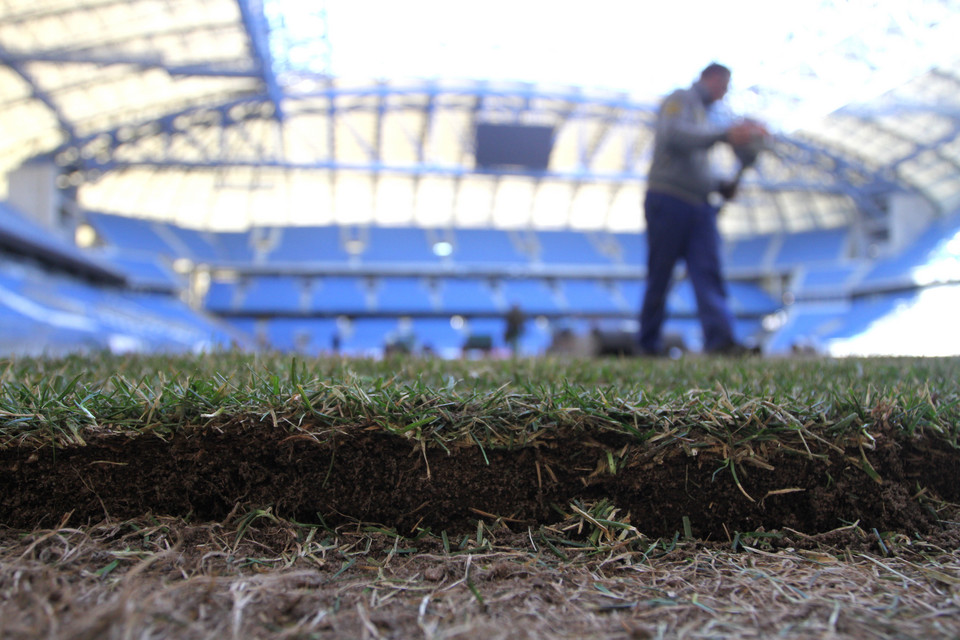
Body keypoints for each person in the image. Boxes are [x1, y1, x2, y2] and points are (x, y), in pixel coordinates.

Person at [638, 63, 767, 356]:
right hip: (668, 198)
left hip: (698, 205)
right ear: (710, 78)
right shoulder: (680, 100)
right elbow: (674, 136)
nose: (723, 94)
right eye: (723, 85)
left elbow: (696, 168)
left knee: (708, 272)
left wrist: (720, 184)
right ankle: (648, 345)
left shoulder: (705, 116)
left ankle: (721, 340)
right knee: (660, 274)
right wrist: (724, 135)